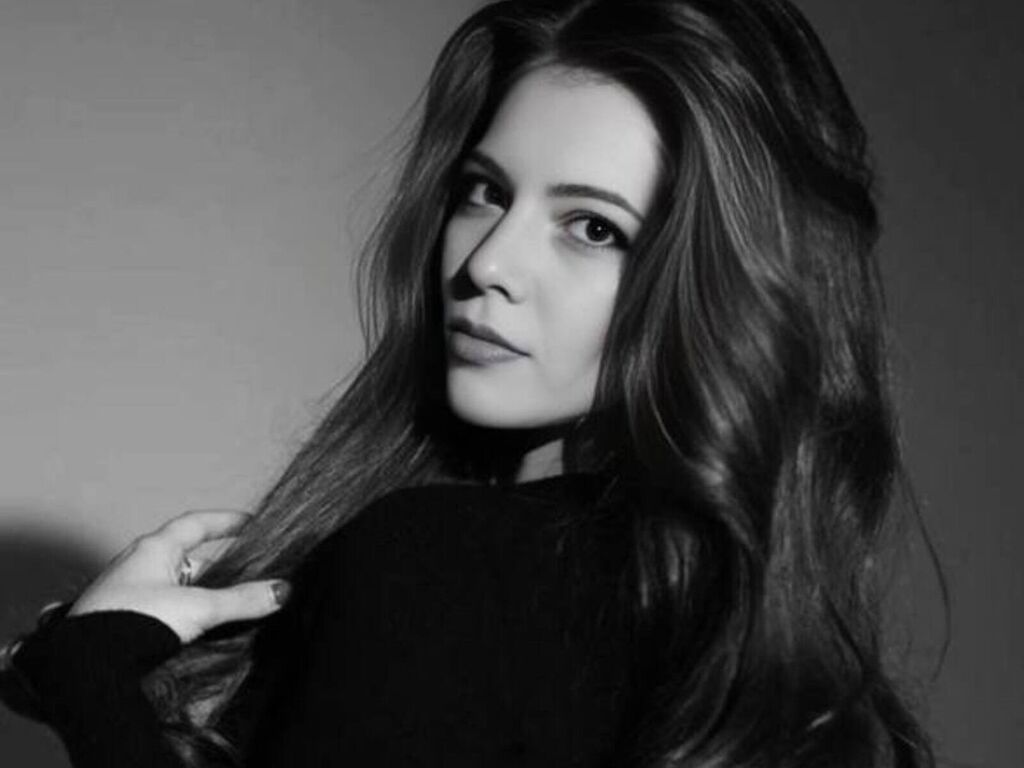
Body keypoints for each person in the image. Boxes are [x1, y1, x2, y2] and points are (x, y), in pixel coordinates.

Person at [0, 0, 937, 766]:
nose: (488, 262)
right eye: (486, 190)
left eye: (594, 228)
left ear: (726, 289)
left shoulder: (440, 564)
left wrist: (94, 672)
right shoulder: (771, 679)